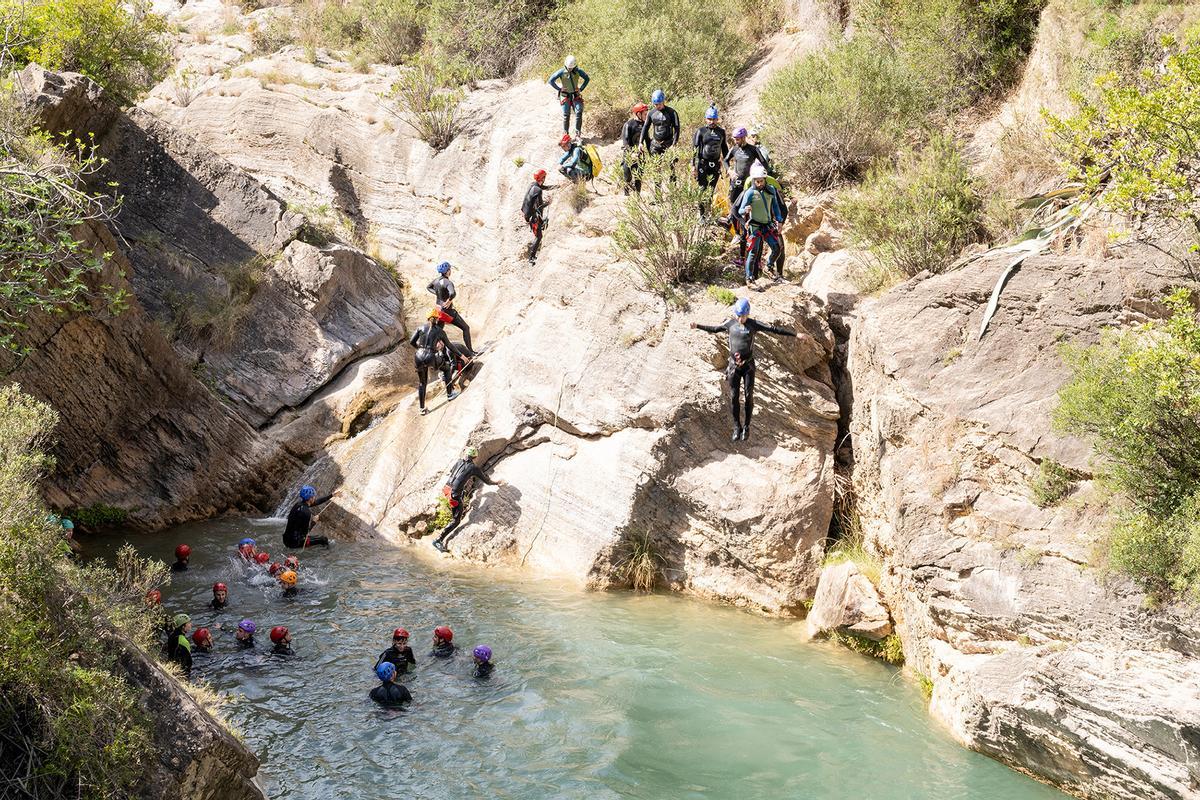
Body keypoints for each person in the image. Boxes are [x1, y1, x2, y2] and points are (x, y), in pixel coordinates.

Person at [691, 298, 796, 442]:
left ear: (748, 314)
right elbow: (715, 329)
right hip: (734, 366)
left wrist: (796, 335)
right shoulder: (730, 324)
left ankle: (746, 427)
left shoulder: (753, 324)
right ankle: (737, 427)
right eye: (739, 316)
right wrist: (697, 326)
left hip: (748, 366)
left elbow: (774, 330)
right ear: (735, 314)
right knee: (734, 397)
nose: (741, 319)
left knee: (748, 395)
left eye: (744, 316)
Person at [431, 446, 505, 552]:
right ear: (475, 457)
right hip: (454, 496)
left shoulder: (458, 461)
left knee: (458, 504)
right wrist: (497, 482)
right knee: (456, 520)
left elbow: (452, 472)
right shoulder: (473, 468)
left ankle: (446, 522)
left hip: (446, 490)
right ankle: (438, 540)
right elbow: (487, 481)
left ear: (466, 454)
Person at [737, 164, 785, 286]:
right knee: (753, 253)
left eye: (761, 181)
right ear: (753, 180)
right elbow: (740, 210)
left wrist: (779, 221)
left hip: (768, 225)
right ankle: (749, 279)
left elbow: (776, 207)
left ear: (765, 179)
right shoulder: (750, 193)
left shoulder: (771, 190)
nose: (759, 184)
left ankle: (768, 267)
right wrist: (745, 210)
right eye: (757, 181)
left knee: (777, 248)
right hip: (755, 226)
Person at [410, 309, 458, 415]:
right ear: (437, 319)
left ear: (427, 318)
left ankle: (422, 409)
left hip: (418, 356)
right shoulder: (440, 331)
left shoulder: (420, 328)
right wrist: (461, 355)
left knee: (422, 383)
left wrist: (420, 348)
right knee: (446, 369)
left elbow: (412, 342)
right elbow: (450, 346)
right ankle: (450, 394)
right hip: (430, 356)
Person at [426, 262, 474, 356]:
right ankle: (470, 352)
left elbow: (428, 287)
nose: (450, 271)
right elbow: (452, 293)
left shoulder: (436, 281)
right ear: (447, 271)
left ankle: (434, 354)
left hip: (438, 311)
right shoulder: (448, 282)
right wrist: (449, 300)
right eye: (449, 269)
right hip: (447, 312)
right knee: (465, 328)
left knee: (438, 333)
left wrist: (437, 293)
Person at [693, 105, 728, 216]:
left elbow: (725, 149)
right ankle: (701, 215)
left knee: (711, 190)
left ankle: (708, 213)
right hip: (703, 164)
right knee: (702, 189)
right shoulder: (701, 131)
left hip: (715, 165)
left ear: (717, 119)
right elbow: (695, 149)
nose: (712, 122)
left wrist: (728, 167)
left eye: (714, 119)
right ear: (705, 119)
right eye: (709, 119)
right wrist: (693, 166)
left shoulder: (721, 132)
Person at [547, 55, 589, 137]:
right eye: (569, 68)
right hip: (565, 96)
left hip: (576, 95)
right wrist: (560, 89)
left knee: (579, 112)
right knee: (566, 115)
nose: (570, 69)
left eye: (571, 68)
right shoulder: (561, 72)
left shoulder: (578, 71)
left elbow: (587, 79)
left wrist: (581, 89)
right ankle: (565, 133)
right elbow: (551, 80)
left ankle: (578, 133)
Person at [639, 89, 680, 157]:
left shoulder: (672, 112)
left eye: (659, 104)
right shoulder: (651, 113)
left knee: (671, 163)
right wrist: (641, 142)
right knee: (655, 163)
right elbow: (645, 128)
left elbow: (677, 129)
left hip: (669, 144)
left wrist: (674, 144)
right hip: (655, 144)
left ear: (663, 101)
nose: (658, 106)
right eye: (656, 104)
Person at [620, 103, 649, 195]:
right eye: (645, 114)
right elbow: (625, 142)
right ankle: (626, 196)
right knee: (627, 177)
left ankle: (637, 197)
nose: (646, 116)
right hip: (629, 155)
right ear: (638, 114)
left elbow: (648, 140)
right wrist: (631, 153)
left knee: (638, 178)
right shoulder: (628, 125)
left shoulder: (645, 125)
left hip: (640, 155)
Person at [522, 169, 550, 262]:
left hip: (526, 212)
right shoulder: (538, 190)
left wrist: (555, 186)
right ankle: (531, 257)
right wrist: (548, 203)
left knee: (540, 220)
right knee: (539, 236)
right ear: (543, 178)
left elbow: (543, 187)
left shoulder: (533, 185)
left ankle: (541, 223)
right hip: (531, 216)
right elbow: (540, 206)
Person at [167, 613, 193, 678]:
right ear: (183, 627)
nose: (191, 624)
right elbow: (188, 663)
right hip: (179, 672)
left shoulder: (172, 635)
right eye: (188, 623)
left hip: (171, 665)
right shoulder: (183, 641)